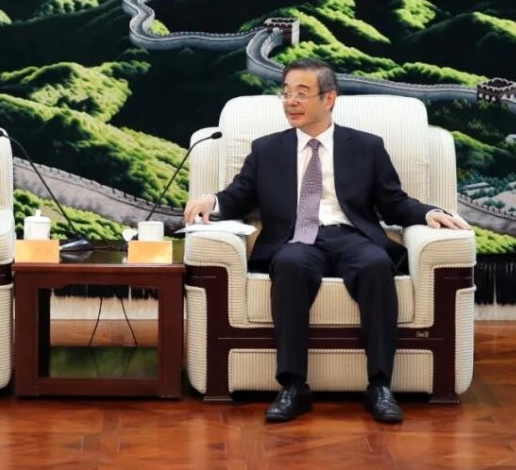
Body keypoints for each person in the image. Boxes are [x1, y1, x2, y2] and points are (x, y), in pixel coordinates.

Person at [183, 58, 469, 424]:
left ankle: (380, 385)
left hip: (350, 236)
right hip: (297, 239)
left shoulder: (366, 146)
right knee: (288, 265)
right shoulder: (267, 149)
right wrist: (213, 201)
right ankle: (292, 386)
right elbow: (239, 196)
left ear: (329, 98)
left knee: (376, 265)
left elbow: (393, 202)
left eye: (302, 94)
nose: (291, 102)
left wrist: (428, 213)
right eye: (285, 93)